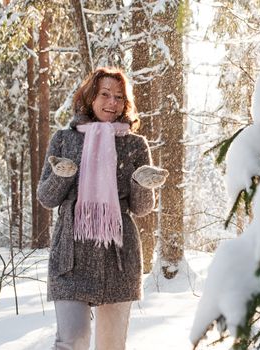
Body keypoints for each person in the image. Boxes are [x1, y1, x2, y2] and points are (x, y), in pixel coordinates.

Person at [37, 66, 168, 350]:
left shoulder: (134, 144)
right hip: (70, 255)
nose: (112, 103)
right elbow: (46, 198)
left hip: (118, 255)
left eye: (119, 97)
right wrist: (62, 175)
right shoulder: (64, 139)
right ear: (90, 98)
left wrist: (141, 184)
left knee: (111, 345)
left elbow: (141, 208)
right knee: (72, 341)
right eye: (105, 94)